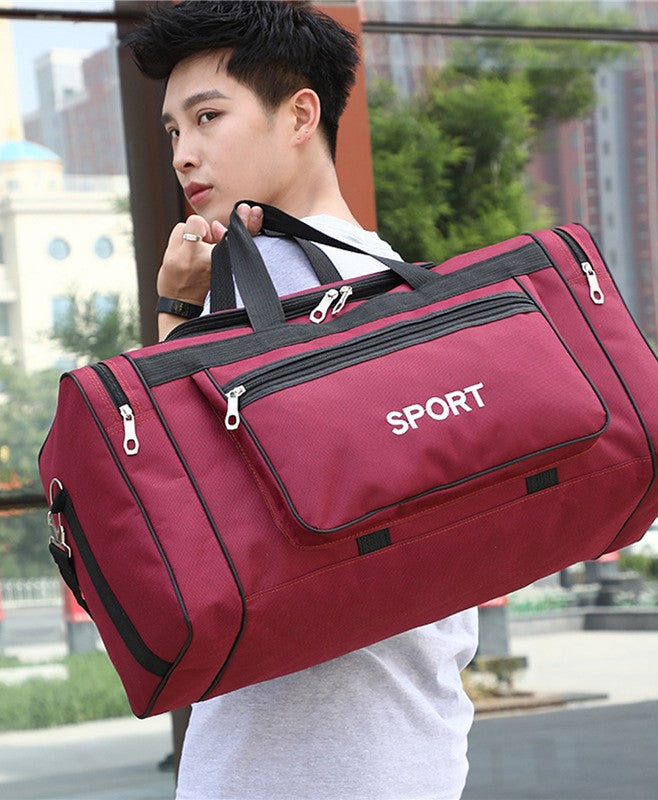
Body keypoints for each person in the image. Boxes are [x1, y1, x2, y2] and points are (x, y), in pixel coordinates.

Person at [126, 2, 478, 798]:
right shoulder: (394, 277)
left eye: (208, 117)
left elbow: (171, 503)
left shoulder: (270, 284)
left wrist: (177, 312)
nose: (183, 153)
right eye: (173, 130)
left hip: (289, 757)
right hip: (414, 737)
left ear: (299, 115)